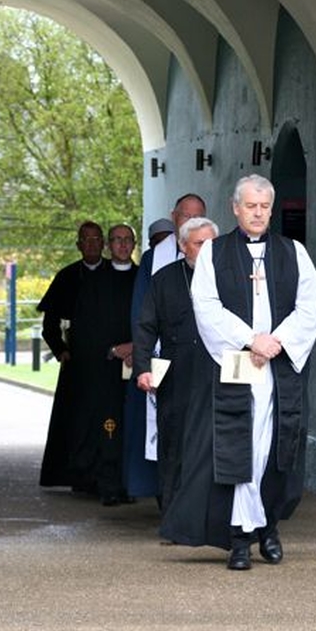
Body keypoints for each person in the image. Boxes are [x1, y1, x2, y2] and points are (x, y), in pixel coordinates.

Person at [160, 174, 316, 570]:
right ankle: (239, 536)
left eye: (264, 206)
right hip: (237, 362)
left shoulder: (294, 252)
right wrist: (251, 339)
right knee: (239, 446)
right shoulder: (214, 253)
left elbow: (310, 307)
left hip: (279, 365)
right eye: (250, 205)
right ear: (236, 208)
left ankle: (266, 526)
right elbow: (207, 307)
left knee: (272, 448)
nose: (258, 212)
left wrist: (276, 341)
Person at [134, 216, 219, 513]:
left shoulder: (232, 277)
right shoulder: (165, 278)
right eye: (199, 244)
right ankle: (172, 514)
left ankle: (215, 515)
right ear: (183, 246)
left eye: (212, 244)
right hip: (177, 371)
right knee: (174, 446)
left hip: (218, 370)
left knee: (216, 443)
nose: (207, 250)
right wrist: (143, 367)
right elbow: (146, 326)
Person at [125, 193, 207, 499]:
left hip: (206, 362)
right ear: (175, 217)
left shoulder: (219, 256)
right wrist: (145, 362)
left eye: (199, 216)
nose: (192, 222)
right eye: (186, 216)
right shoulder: (154, 260)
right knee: (169, 434)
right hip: (166, 358)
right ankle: (170, 501)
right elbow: (142, 315)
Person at [37, 221, 110, 494]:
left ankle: (107, 474)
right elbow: (50, 324)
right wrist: (61, 350)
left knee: (108, 422)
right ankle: (77, 474)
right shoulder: (66, 277)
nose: (91, 244)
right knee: (75, 421)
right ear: (78, 244)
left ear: (103, 244)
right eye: (86, 239)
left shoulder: (117, 273)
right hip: (77, 362)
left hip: (109, 361)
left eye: (96, 239)